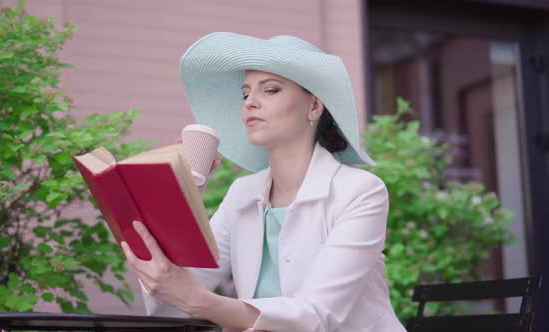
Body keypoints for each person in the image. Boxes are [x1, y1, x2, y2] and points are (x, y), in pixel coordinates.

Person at [120, 32, 407, 332]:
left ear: (313, 107)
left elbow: (314, 316)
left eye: (270, 90)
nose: (250, 104)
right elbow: (172, 301)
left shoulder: (359, 192)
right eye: (245, 94)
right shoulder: (242, 194)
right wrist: (181, 208)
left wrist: (199, 300)